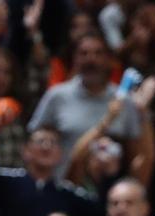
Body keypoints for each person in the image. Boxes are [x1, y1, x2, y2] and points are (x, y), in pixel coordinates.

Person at [28, 32, 142, 163]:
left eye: (98, 53)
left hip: (111, 181)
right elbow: (35, 140)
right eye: (84, 53)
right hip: (64, 180)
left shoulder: (125, 101)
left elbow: (136, 153)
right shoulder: (57, 96)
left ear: (110, 60)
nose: (91, 60)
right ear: (74, 59)